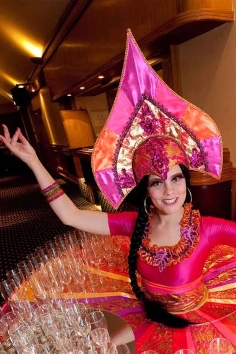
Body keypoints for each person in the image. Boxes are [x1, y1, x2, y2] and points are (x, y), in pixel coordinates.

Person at [1, 30, 236, 353]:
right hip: (145, 316)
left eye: (176, 179)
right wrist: (33, 162)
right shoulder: (132, 224)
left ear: (187, 183)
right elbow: (70, 215)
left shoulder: (209, 229)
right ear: (146, 190)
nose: (169, 191)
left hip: (199, 321)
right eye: (157, 182)